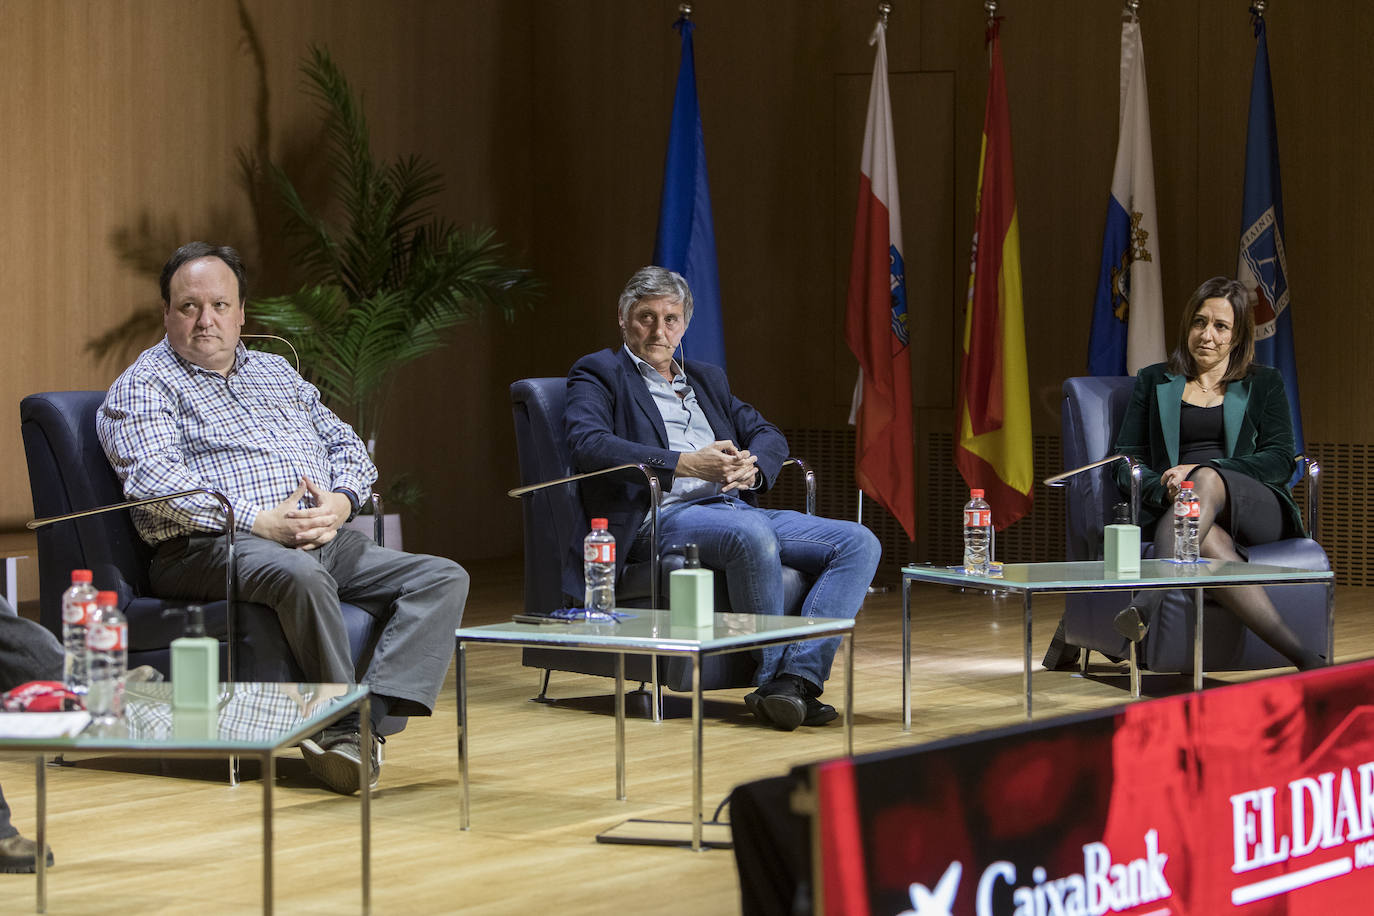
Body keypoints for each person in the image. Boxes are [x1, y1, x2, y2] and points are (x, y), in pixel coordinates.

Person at [98, 242, 470, 793]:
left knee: (442, 577)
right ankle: (343, 727)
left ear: (242, 313)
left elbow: (348, 446)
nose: (207, 320)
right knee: (302, 575)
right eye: (189, 307)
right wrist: (260, 522)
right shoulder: (144, 386)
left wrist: (341, 503)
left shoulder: (276, 373)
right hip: (208, 545)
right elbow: (154, 483)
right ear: (167, 314)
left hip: (319, 533)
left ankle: (367, 722)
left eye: (220, 306)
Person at [565, 266, 882, 731]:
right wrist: (686, 463)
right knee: (750, 533)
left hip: (731, 506)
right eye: (646, 317)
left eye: (671, 319)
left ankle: (795, 679)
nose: (659, 330)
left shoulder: (706, 379)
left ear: (685, 324)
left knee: (858, 542)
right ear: (622, 318)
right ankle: (775, 680)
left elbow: (767, 433)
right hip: (659, 515)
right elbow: (588, 443)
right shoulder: (599, 373)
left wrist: (753, 468)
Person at [1112, 275, 1322, 670]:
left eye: (1220, 326)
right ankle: (1306, 660)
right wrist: (1164, 489)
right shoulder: (1155, 380)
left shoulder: (1264, 383)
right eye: (1199, 322)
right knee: (1208, 540)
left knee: (1205, 479)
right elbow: (1126, 463)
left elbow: (1279, 459)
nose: (1206, 335)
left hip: (1255, 504)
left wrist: (1206, 469)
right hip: (1188, 511)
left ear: (1238, 335)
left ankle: (1147, 601)